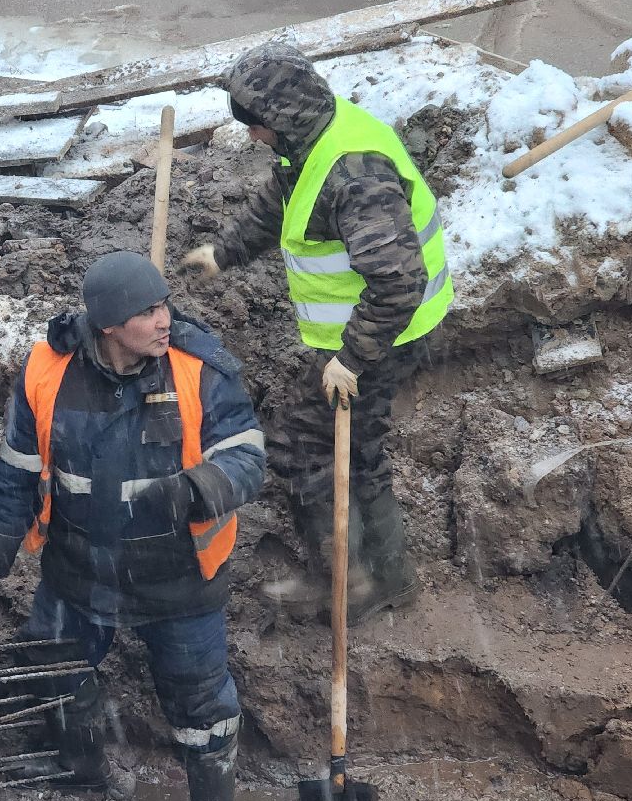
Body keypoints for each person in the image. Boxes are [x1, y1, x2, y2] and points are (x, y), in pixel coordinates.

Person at [0, 251, 265, 801]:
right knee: (53, 665)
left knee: (202, 704)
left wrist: (193, 490)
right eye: (146, 312)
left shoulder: (201, 369)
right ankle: (82, 774)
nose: (164, 319)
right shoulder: (48, 370)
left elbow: (248, 456)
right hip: (78, 569)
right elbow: (17, 470)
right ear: (108, 327)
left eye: (164, 304)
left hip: (180, 577)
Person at [182, 42, 452, 624]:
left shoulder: (357, 178)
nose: (252, 137)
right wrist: (224, 252)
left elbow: (399, 282)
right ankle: (385, 573)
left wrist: (352, 359)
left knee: (304, 447)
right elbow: (284, 201)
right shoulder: (312, 141)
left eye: (257, 125)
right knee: (356, 447)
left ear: (284, 118)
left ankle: (346, 582)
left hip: (385, 334)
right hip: (375, 329)